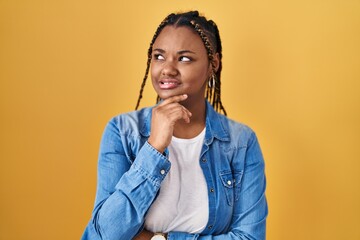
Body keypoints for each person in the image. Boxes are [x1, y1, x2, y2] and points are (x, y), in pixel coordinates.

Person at [82, 11, 268, 240]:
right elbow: (103, 235)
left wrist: (159, 239)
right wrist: (154, 148)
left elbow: (250, 237)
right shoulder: (122, 132)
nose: (167, 69)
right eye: (159, 56)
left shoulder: (241, 142)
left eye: (184, 58)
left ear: (213, 64)